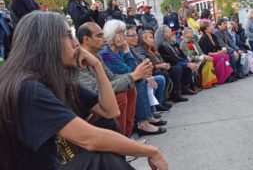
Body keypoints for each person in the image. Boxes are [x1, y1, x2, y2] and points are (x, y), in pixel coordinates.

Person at [0, 11, 168, 170]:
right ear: (46, 43)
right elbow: (89, 139)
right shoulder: (28, 88)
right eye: (68, 36)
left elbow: (110, 111)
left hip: (59, 160)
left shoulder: (56, 80)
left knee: (107, 124)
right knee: (101, 161)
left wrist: (96, 65)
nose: (75, 44)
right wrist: (151, 151)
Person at [76, 22, 152, 137]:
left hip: (102, 102)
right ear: (86, 39)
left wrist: (139, 74)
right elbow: (95, 91)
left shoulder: (97, 55)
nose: (104, 39)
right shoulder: (104, 54)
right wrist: (134, 75)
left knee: (131, 88)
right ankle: (123, 139)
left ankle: (127, 136)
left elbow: (112, 77)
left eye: (124, 32)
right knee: (121, 95)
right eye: (99, 36)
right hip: (88, 113)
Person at [100, 20, 167, 136]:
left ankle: (147, 117)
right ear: (112, 34)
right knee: (138, 82)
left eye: (124, 32)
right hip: (112, 86)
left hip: (122, 80)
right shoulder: (106, 53)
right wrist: (127, 50)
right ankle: (143, 123)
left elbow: (135, 69)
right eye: (120, 32)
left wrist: (145, 72)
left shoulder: (118, 50)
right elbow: (131, 72)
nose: (124, 36)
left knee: (146, 79)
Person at [125, 25, 171, 112]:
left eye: (136, 35)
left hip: (146, 73)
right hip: (137, 76)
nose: (136, 38)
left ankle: (158, 104)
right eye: (132, 36)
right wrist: (154, 69)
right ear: (144, 39)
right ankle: (151, 111)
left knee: (163, 75)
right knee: (157, 77)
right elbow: (138, 65)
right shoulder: (138, 50)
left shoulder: (150, 49)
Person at [139, 29, 188, 102]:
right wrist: (160, 66)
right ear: (144, 39)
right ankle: (162, 99)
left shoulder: (153, 50)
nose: (153, 40)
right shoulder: (142, 51)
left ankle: (177, 93)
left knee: (177, 68)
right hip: (153, 71)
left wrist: (165, 64)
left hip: (161, 68)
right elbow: (148, 66)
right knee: (167, 72)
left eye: (153, 37)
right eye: (150, 37)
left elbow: (163, 60)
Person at [155, 25, 198, 95]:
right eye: (169, 30)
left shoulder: (172, 43)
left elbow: (182, 55)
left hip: (176, 62)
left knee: (188, 63)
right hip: (171, 64)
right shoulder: (162, 46)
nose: (171, 32)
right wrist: (187, 64)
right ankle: (179, 90)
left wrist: (187, 62)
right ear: (164, 34)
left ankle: (186, 86)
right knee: (180, 67)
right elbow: (172, 60)